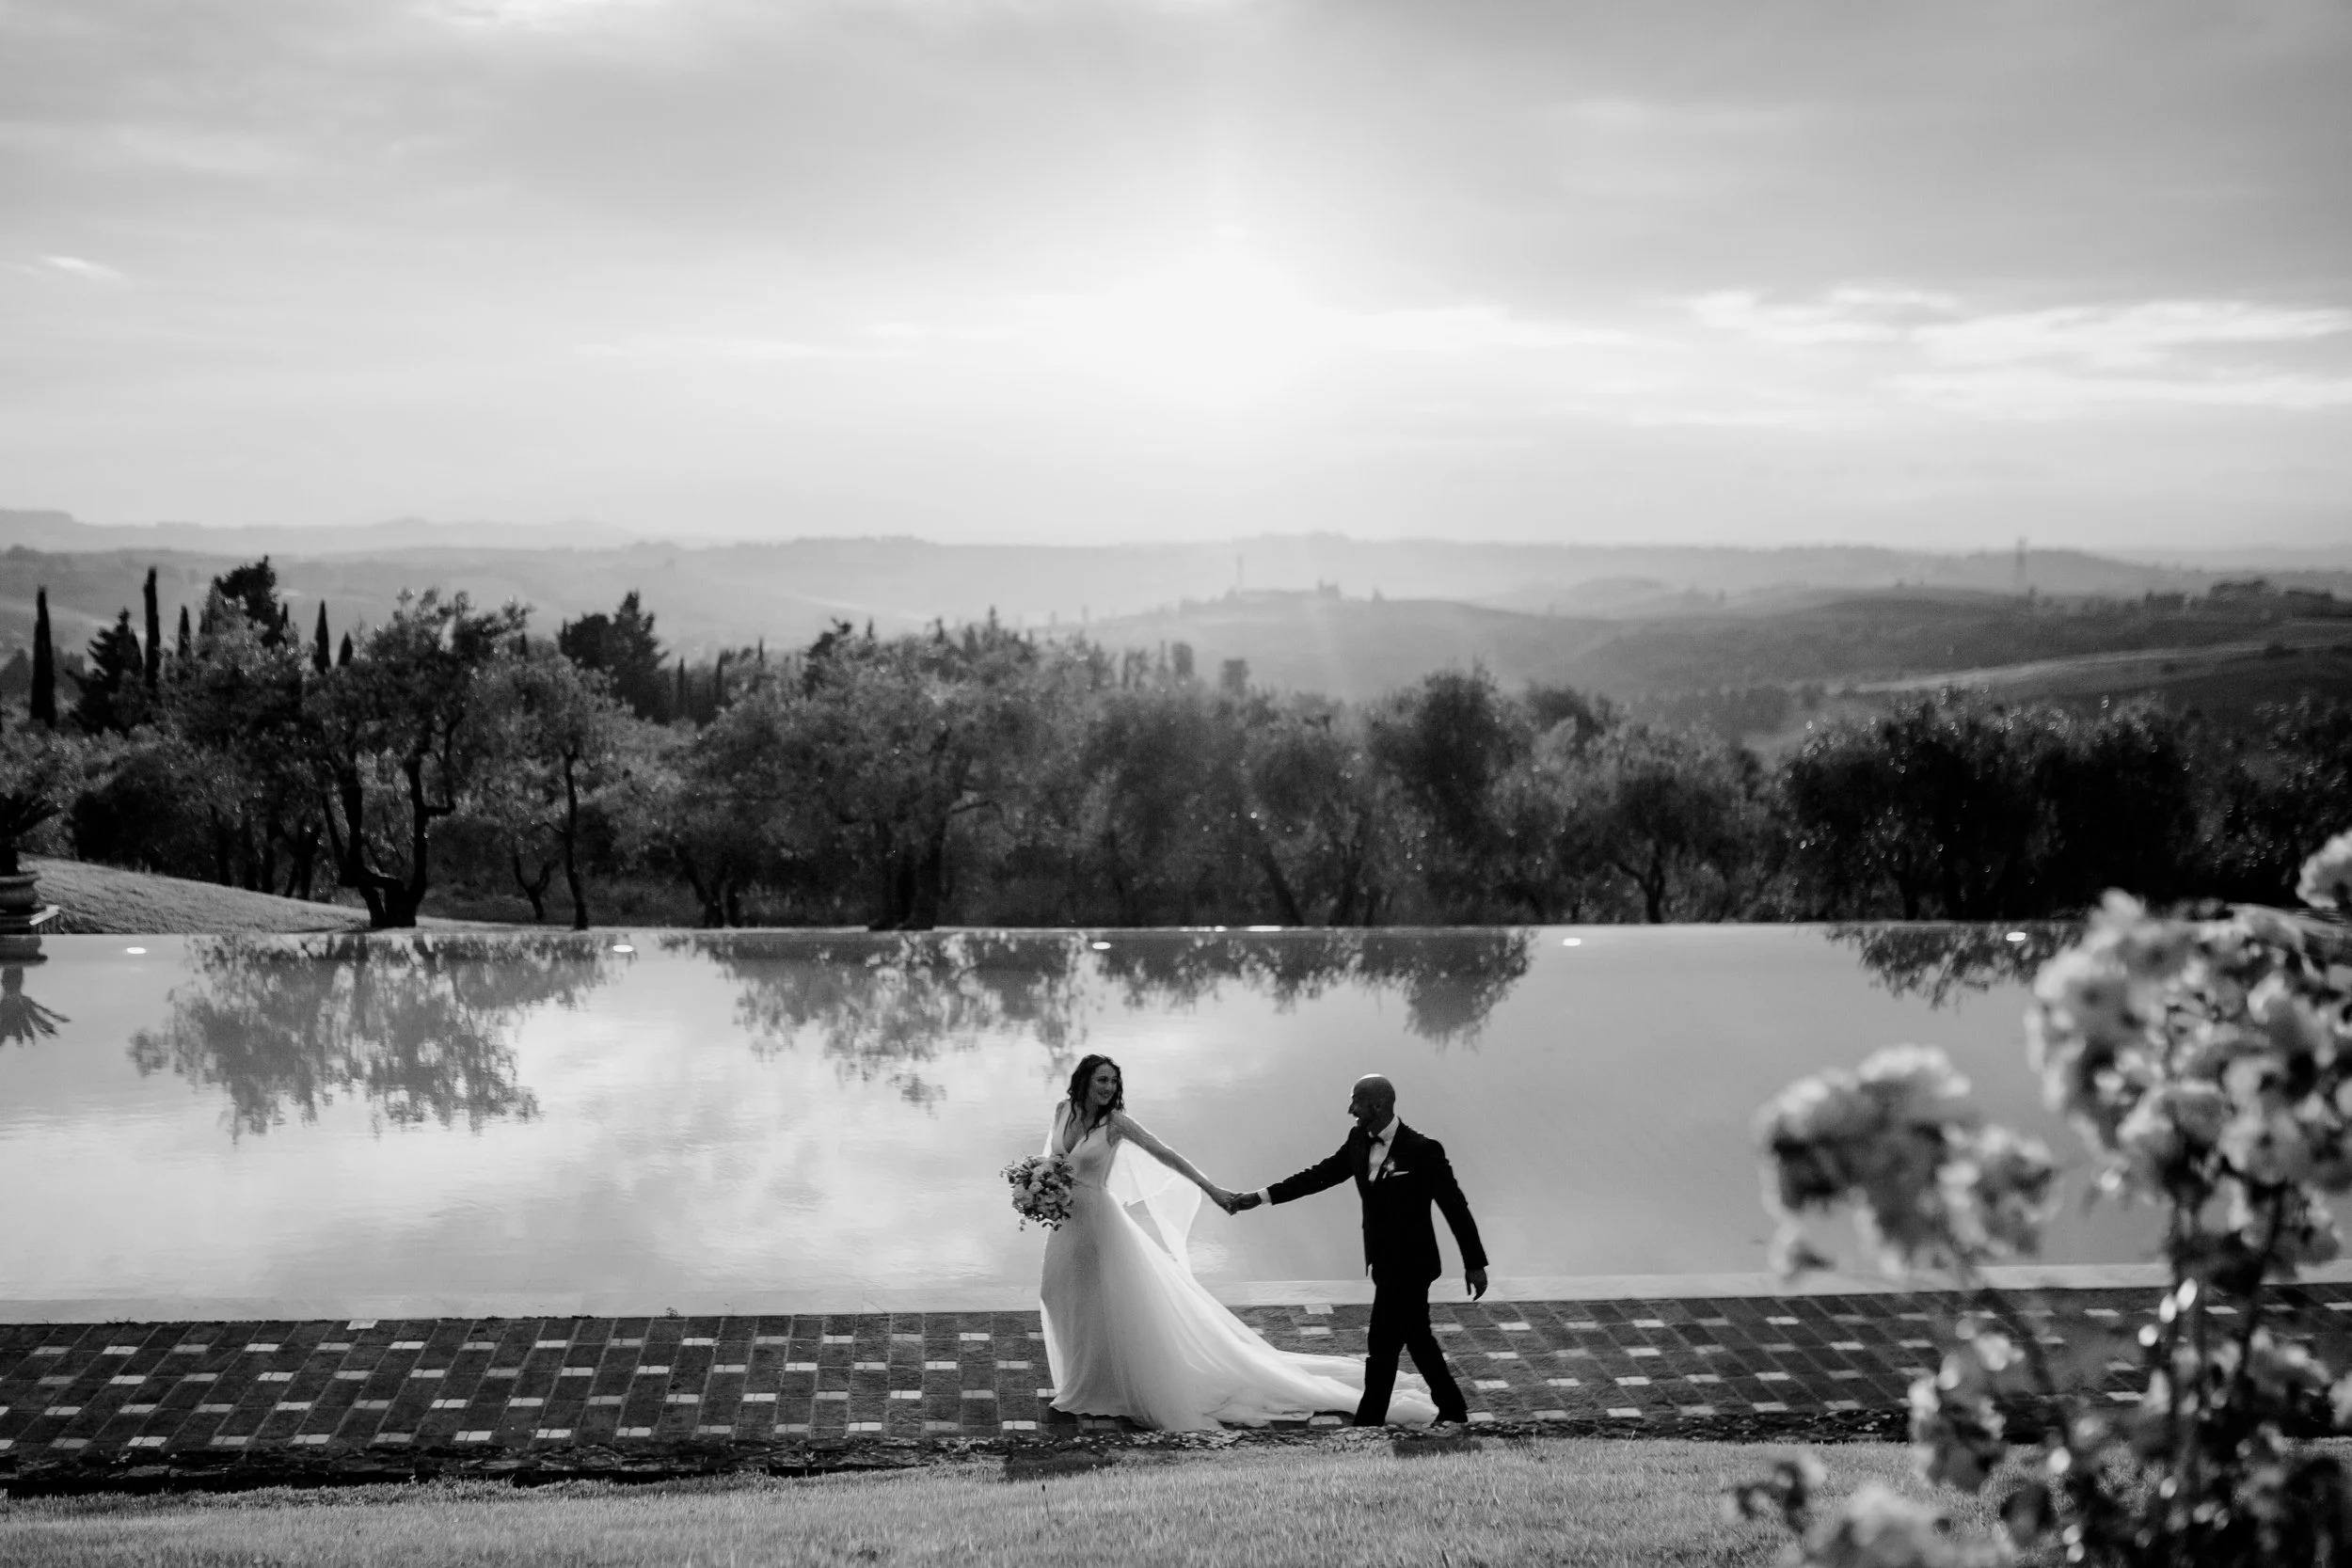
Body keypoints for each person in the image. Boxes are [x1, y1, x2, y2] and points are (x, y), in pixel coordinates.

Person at [1036, 1053, 1438, 1432]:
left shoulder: (1117, 1124)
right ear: (1084, 1081)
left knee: (1104, 1302)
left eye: (1113, 1081)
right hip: (1065, 1222)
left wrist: (1212, 1190)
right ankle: (1084, 1378)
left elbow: (1167, 1155)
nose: (1108, 1087)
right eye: (1101, 1079)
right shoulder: (1062, 1111)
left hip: (1101, 1226)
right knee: (1058, 1294)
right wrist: (1035, 1185)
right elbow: (1050, 1158)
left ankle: (1104, 1388)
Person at [1231, 1073, 1486, 1427]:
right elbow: (1318, 1176)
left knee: (1381, 1344)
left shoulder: (1423, 1150)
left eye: (1357, 1102)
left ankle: (1369, 1423)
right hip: (1382, 1262)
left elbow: (1455, 1206)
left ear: (1378, 1104)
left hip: (1413, 1264)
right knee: (1417, 1339)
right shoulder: (1357, 1139)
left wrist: (1474, 1263)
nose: (1351, 1109)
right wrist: (1259, 1198)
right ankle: (1453, 1409)